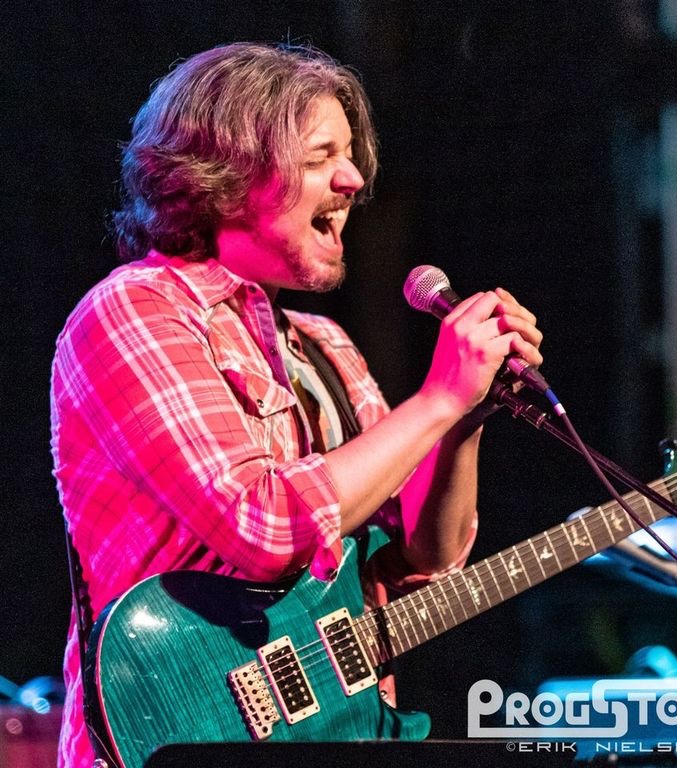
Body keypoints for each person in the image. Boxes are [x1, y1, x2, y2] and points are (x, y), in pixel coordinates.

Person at [50, 42, 543, 768]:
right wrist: (438, 397)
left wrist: (466, 417)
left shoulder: (324, 345)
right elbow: (263, 526)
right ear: (225, 176)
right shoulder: (135, 312)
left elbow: (423, 557)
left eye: (349, 154)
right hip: (174, 740)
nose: (354, 179)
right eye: (320, 157)